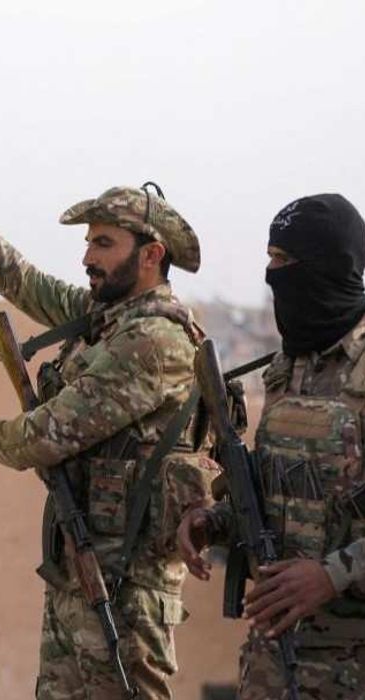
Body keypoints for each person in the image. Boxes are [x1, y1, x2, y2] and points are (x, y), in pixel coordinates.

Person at [0, 137, 216, 698]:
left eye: (104, 243)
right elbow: (17, 277)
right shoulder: (106, 317)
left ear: (151, 256)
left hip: (127, 591)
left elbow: (52, 432)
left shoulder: (153, 341)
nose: (88, 257)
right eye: (89, 242)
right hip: (79, 571)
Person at [178, 194, 365, 698]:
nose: (272, 275)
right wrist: (215, 521)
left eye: (284, 260)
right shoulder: (287, 367)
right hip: (273, 658)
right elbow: (279, 488)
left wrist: (331, 575)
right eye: (269, 258)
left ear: (328, 266)